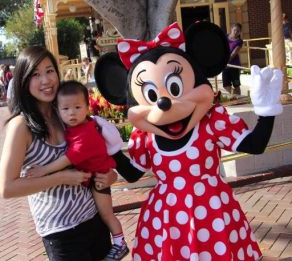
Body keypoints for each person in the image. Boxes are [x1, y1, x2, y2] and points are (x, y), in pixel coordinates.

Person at [94, 21, 283, 260]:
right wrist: (112, 148)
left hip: (213, 213)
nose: (164, 102)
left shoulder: (211, 122)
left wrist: (266, 112)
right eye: (152, 95)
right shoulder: (146, 137)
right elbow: (132, 174)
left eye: (174, 87)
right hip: (166, 218)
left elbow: (255, 145)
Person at [0, 46, 121, 261]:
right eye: (35, 75)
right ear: (24, 81)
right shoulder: (21, 126)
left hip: (94, 218)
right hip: (61, 232)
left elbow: (93, 152)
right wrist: (61, 177)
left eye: (49, 71)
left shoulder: (66, 111)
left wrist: (110, 175)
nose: (45, 80)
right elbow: (7, 187)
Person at [26, 80, 129, 260]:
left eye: (77, 107)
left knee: (106, 214)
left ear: (87, 107)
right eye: (65, 109)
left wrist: (44, 170)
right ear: (57, 110)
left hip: (100, 180)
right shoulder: (75, 127)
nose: (71, 113)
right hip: (94, 179)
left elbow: (68, 158)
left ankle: (120, 243)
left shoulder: (86, 133)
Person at [222, 23, 243, 95]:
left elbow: (233, 54)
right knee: (225, 85)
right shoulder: (225, 36)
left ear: (240, 32)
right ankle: (234, 96)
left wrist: (225, 62)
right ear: (231, 29)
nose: (236, 32)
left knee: (236, 85)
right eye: (234, 30)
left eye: (238, 31)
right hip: (225, 64)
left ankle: (239, 99)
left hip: (234, 65)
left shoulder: (239, 41)